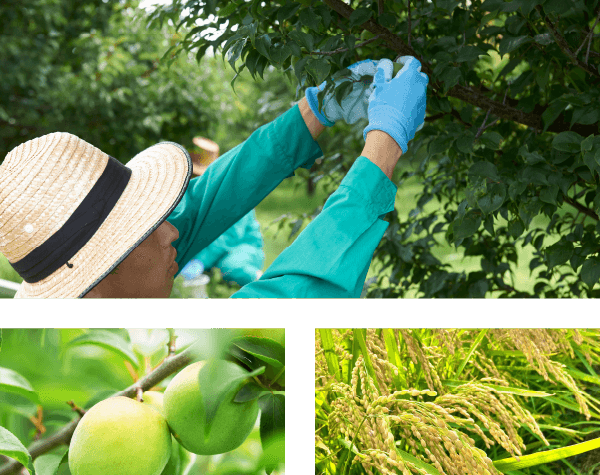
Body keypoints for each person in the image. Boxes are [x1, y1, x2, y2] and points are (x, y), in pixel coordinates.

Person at [0, 56, 428, 298]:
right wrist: (384, 143)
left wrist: (314, 112)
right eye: (145, 226)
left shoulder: (126, 275)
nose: (173, 228)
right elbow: (305, 287)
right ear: (104, 267)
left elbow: (209, 198)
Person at [180, 136, 265, 288]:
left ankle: (266, 284)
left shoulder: (233, 196)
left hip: (243, 246)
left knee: (230, 267)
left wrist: (200, 261)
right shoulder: (190, 195)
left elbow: (227, 237)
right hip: (212, 250)